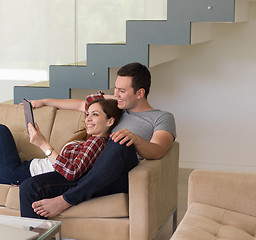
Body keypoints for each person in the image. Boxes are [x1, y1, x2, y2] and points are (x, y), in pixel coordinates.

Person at [19, 62, 176, 218]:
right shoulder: (117, 109)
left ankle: (67, 200)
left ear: (140, 93)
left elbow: (158, 150)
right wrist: (44, 102)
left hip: (117, 175)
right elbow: (83, 104)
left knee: (120, 140)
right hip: (88, 171)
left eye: (122, 91)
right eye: (115, 89)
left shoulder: (161, 117)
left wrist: (135, 139)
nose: (116, 94)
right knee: (29, 187)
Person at [0, 99, 122, 185]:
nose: (88, 118)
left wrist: (43, 144)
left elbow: (72, 172)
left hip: (19, 175)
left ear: (111, 121)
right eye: (87, 114)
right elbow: (88, 102)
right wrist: (44, 101)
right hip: (21, 170)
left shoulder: (97, 144)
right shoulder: (91, 139)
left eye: (95, 115)